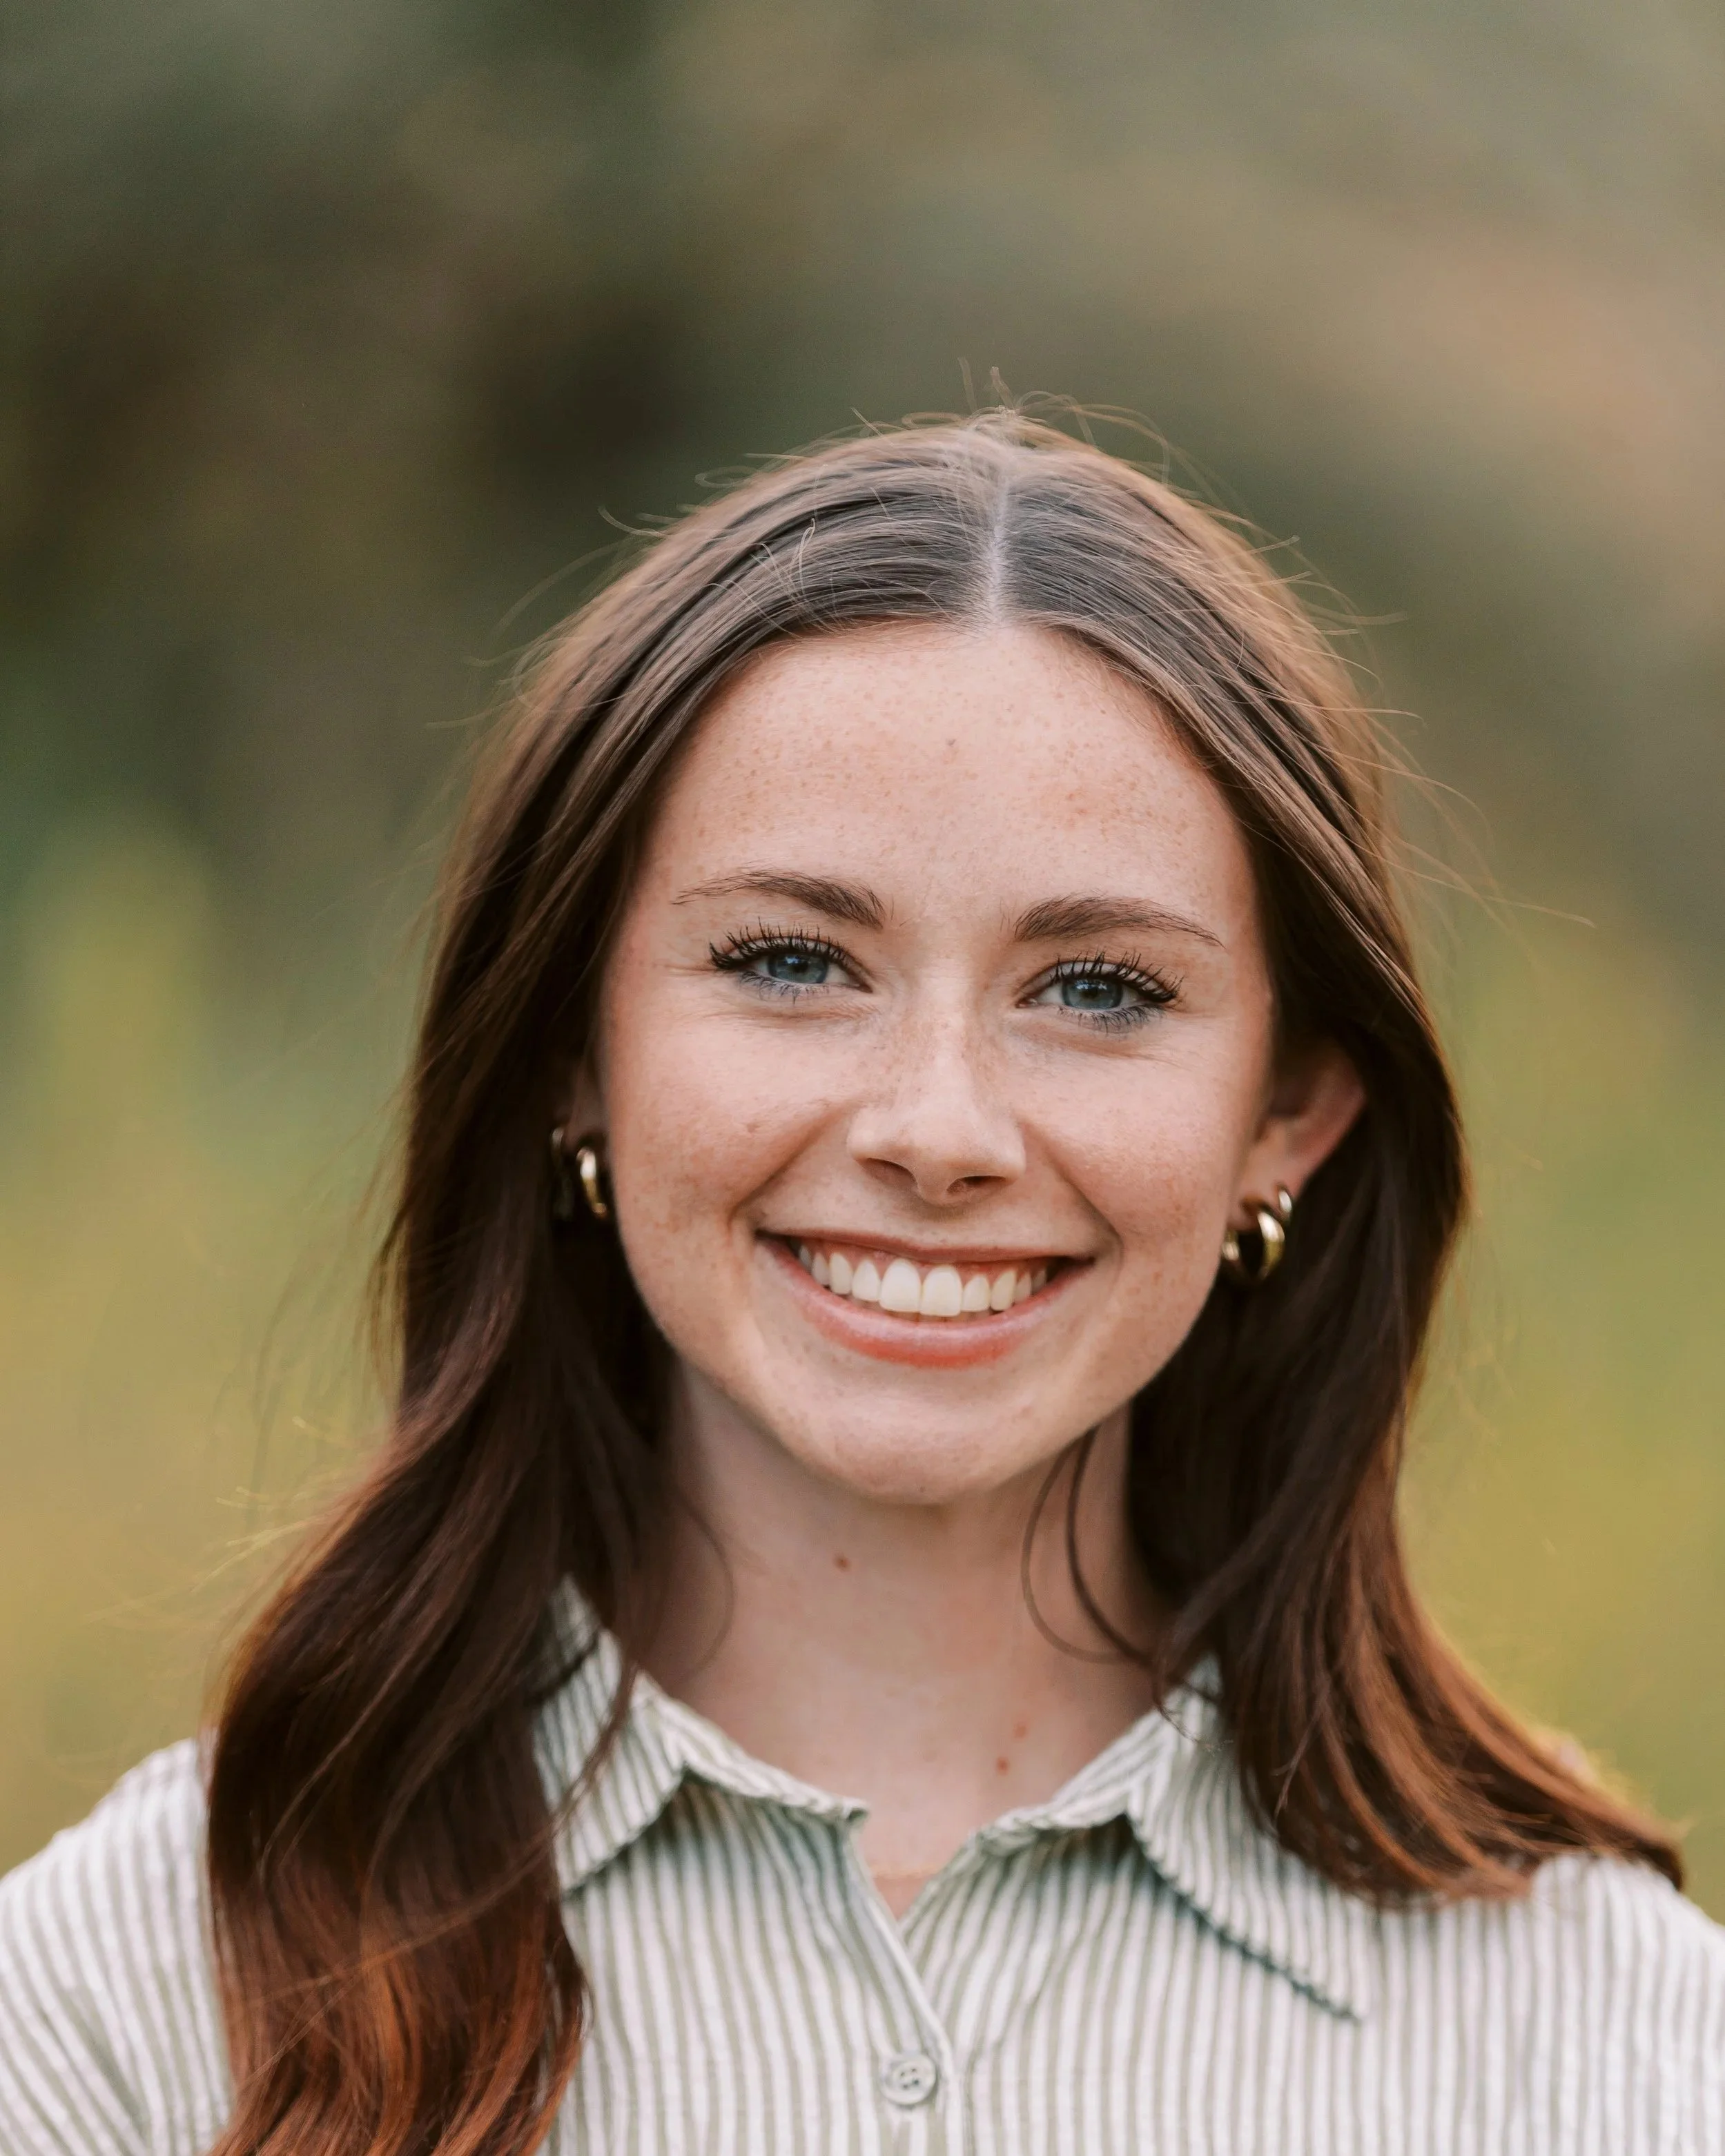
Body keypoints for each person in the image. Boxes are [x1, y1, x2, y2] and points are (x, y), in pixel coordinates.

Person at [1, 411, 1720, 2156]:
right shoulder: (119, 2008)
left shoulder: (1607, 2044)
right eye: (791, 960)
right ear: (571, 1056)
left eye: (1102, 988)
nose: (939, 1128)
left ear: (1289, 1111)